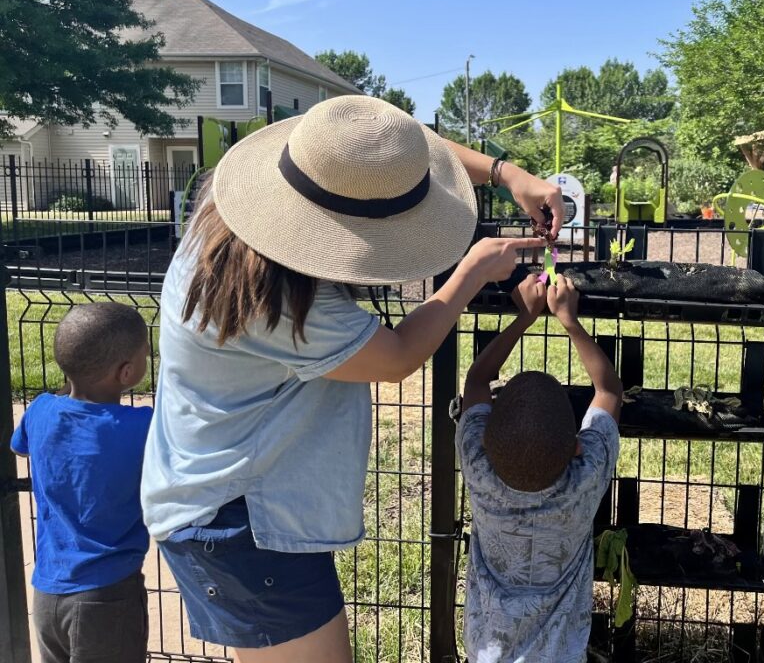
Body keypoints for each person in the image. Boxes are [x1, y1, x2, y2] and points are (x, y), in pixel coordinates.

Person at [141, 95, 564, 662]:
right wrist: (469, 273)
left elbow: (375, 154)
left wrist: (505, 173)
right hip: (243, 520)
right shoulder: (280, 300)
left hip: (212, 498)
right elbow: (394, 358)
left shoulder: (224, 218)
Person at [456, 275, 623, 663]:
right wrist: (569, 320)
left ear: (483, 440)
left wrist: (523, 317)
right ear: (577, 447)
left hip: (486, 652)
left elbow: (477, 379)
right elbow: (610, 391)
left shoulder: (478, 469)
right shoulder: (585, 478)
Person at [11, 303, 153, 663]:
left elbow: (21, 447)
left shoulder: (40, 410)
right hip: (108, 595)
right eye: (145, 354)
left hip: (47, 595)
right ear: (126, 372)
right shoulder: (140, 427)